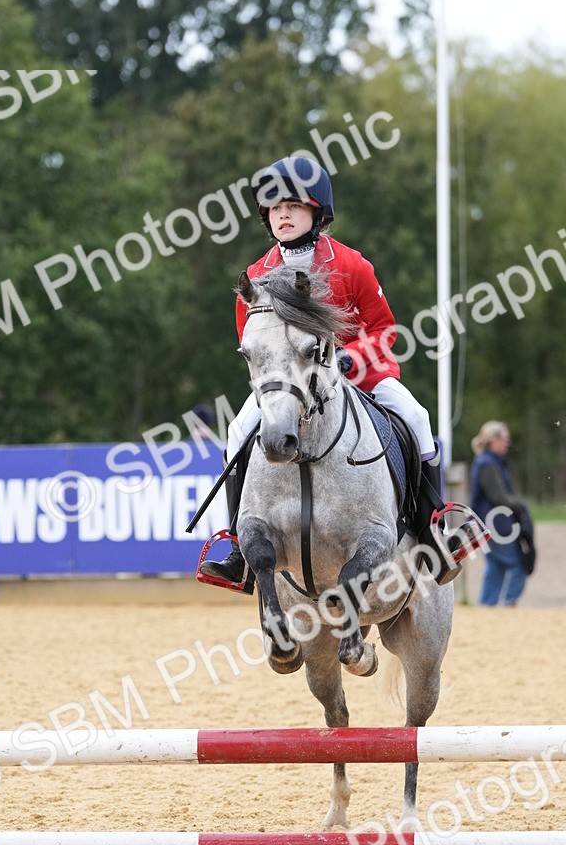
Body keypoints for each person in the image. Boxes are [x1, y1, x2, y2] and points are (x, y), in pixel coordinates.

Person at [200, 155, 487, 588]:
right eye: (275, 208)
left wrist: (350, 357)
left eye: (292, 206)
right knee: (238, 431)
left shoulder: (351, 264)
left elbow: (385, 329)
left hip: (360, 376)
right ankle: (240, 550)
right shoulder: (257, 276)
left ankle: (432, 529)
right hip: (289, 386)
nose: (282, 215)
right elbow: (252, 341)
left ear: (317, 213)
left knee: (417, 417)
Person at [469, 421, 528, 607]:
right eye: (505, 439)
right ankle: (509, 603)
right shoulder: (488, 464)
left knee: (495, 565)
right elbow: (498, 497)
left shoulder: (487, 462)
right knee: (518, 564)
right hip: (495, 525)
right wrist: (520, 506)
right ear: (492, 440)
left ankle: (487, 605)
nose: (507, 443)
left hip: (487, 524)